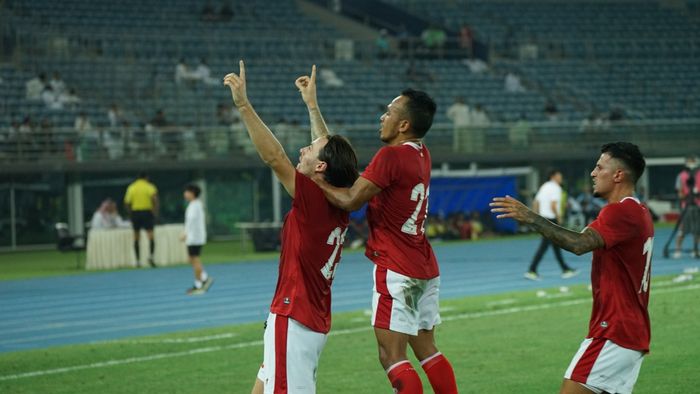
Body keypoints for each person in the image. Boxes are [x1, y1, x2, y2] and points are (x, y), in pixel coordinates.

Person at [223, 61, 359, 394]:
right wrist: (312, 105)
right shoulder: (339, 198)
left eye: (310, 149)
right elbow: (326, 150)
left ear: (321, 167)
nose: (304, 147)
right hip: (307, 319)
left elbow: (275, 158)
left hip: (294, 319)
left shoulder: (314, 200)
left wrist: (243, 104)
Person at [313, 89, 458, 394]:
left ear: (403, 124)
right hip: (424, 265)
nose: (383, 117)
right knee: (428, 349)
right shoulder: (422, 153)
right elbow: (360, 182)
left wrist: (313, 181)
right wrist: (313, 106)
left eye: (390, 111)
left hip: (397, 267)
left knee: (391, 356)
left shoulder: (390, 156)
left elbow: (351, 199)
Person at [491, 141, 653, 394]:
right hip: (630, 332)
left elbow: (579, 244)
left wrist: (530, 217)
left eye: (600, 167)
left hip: (614, 331)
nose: (593, 173)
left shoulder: (620, 212)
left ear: (618, 175)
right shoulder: (639, 211)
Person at [524, 169, 578, 280]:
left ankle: (565, 269)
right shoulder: (556, 188)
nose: (561, 178)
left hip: (544, 219)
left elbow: (536, 202)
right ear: (553, 176)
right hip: (552, 220)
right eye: (559, 176)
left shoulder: (544, 186)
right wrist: (559, 219)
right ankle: (531, 270)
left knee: (555, 245)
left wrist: (536, 218)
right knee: (545, 246)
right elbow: (553, 205)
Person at [180, 184, 213, 295]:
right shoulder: (195, 204)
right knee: (192, 259)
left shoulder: (195, 205)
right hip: (195, 237)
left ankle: (198, 285)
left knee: (195, 260)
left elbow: (191, 221)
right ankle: (204, 278)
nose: (185, 194)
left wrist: (185, 233)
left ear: (192, 193)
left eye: (187, 191)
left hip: (194, 237)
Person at [124, 172, 159, 268]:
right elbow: (154, 199)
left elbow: (127, 202)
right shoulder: (149, 186)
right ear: (146, 177)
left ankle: (138, 260)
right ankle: (151, 257)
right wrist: (154, 212)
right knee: (150, 236)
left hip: (136, 212)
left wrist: (130, 214)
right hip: (147, 212)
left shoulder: (132, 187)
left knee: (136, 237)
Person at [673, 155, 700, 258]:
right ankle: (677, 250)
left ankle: (695, 249)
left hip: (698, 205)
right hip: (686, 206)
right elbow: (680, 193)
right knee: (682, 230)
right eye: (689, 161)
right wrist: (686, 195)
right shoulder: (681, 176)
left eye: (692, 161)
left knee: (697, 230)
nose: (691, 163)